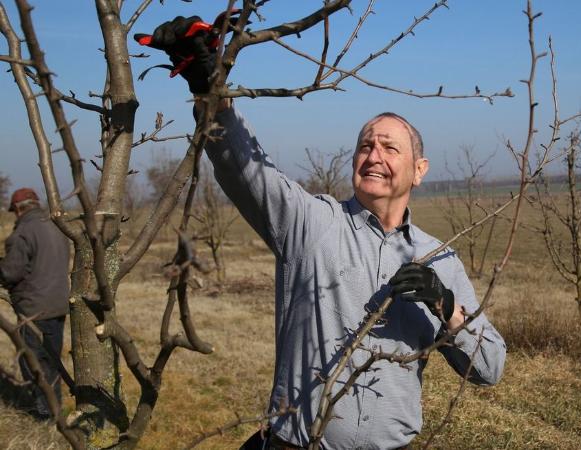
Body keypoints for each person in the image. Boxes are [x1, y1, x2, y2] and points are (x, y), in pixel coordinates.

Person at [147, 17, 506, 449]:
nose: (374, 156)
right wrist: (211, 92)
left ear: (419, 170)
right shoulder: (312, 224)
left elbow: (489, 369)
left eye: (390, 148)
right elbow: (245, 167)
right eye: (365, 146)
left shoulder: (438, 259)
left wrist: (447, 307)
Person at [0, 188, 70, 420]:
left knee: (34, 364)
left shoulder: (22, 233)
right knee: (52, 361)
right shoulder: (56, 226)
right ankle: (54, 411)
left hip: (33, 309)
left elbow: (11, 272)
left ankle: (45, 416)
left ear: (19, 209)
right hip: (58, 304)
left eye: (14, 212)